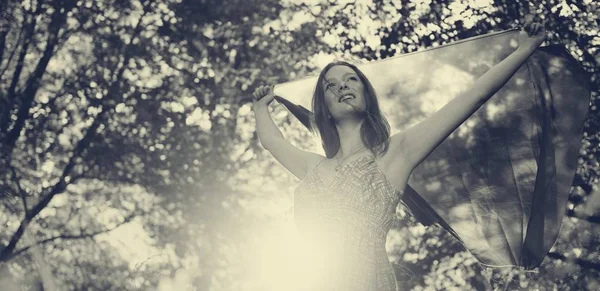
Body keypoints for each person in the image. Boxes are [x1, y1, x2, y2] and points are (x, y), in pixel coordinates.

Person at [252, 21, 546, 291]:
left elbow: (473, 97)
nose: (342, 85)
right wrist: (261, 107)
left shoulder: (395, 154)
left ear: (367, 95)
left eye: (351, 79)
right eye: (330, 85)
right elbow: (271, 141)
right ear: (324, 107)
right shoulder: (312, 166)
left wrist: (525, 49)